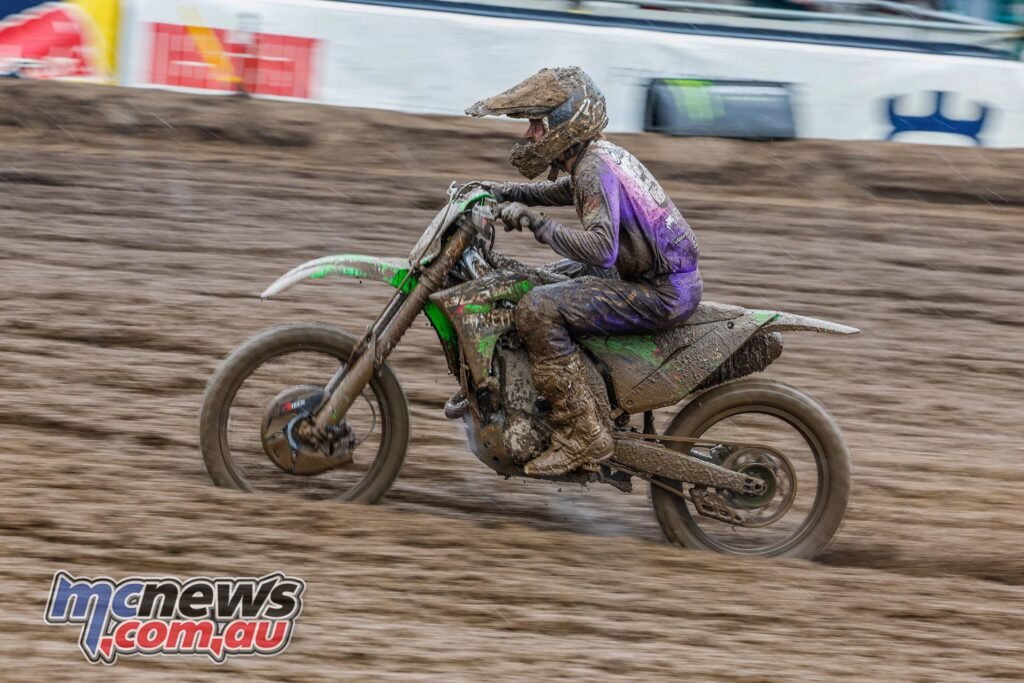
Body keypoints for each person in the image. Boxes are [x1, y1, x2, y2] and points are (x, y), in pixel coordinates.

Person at [466, 66, 702, 477]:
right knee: (536, 280)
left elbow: (602, 249)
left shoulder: (593, 167)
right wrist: (502, 191)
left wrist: (537, 224)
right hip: (654, 277)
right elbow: (563, 190)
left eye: (537, 125)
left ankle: (582, 431)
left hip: (659, 292)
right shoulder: (598, 156)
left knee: (538, 308)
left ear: (564, 124)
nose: (530, 135)